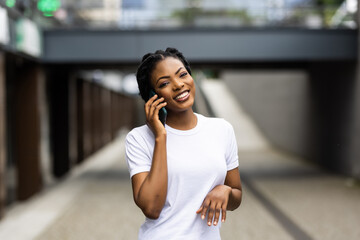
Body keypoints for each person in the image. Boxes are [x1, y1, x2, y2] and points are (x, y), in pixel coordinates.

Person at [125, 47, 242, 239]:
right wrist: (160, 137)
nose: (179, 85)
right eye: (164, 83)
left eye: (183, 74)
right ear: (153, 96)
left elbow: (237, 196)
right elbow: (151, 208)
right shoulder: (138, 139)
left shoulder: (222, 129)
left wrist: (225, 191)